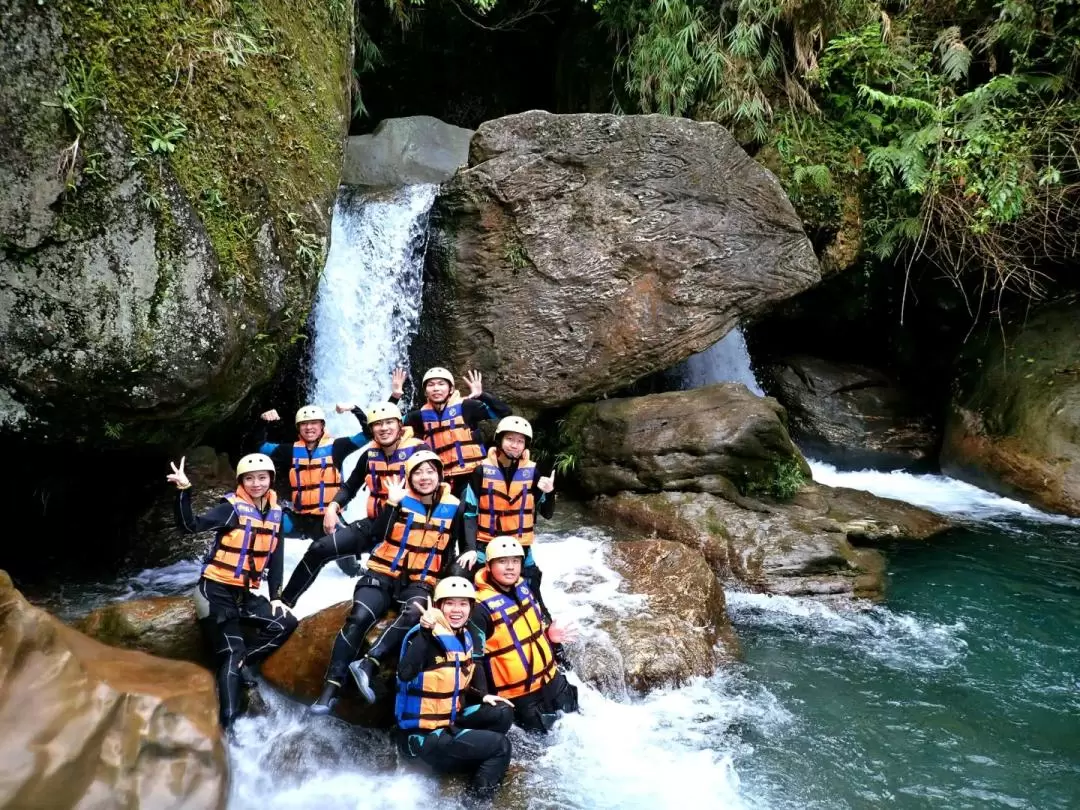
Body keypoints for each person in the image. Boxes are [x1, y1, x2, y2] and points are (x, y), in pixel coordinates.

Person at [310, 449, 477, 714]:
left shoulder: (454, 506)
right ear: (409, 478)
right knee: (359, 618)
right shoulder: (399, 499)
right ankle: (329, 691)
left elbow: (455, 547)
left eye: (430, 471)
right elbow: (377, 535)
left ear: (440, 475)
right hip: (382, 574)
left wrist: (470, 550)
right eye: (418, 473)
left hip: (420, 580)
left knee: (415, 612)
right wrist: (391, 504)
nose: (424, 478)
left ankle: (368, 663)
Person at [167, 453, 298, 729]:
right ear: (241, 482)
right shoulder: (231, 508)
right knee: (231, 651)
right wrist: (184, 491)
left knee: (286, 622)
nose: (256, 483)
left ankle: (244, 665)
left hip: (244, 594)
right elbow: (190, 526)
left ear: (271, 479)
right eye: (249, 479)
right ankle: (228, 725)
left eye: (262, 478)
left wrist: (276, 597)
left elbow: (275, 559)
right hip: (214, 590)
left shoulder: (276, 513)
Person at [278, 402, 430, 608]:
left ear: (399, 426)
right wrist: (333, 507)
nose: (383, 428)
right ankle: (283, 604)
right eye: (378, 425)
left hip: (410, 528)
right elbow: (350, 487)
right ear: (372, 430)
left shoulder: (419, 450)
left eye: (389, 423)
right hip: (376, 525)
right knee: (318, 549)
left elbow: (436, 490)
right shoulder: (369, 456)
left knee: (400, 580)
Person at [394, 576, 514, 806]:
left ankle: (467, 756)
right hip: (422, 738)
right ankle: (474, 802)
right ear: (439, 606)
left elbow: (456, 679)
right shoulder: (422, 637)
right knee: (501, 746)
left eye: (463, 604)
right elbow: (405, 673)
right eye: (450, 603)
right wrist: (425, 631)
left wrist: (483, 695)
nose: (456, 610)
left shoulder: (462, 636)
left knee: (502, 712)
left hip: (449, 721)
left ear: (471, 608)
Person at [471, 536, 579, 733]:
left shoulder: (523, 587)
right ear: (488, 565)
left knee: (579, 727)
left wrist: (549, 636)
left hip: (551, 680)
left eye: (515, 561)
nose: (510, 567)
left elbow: (528, 634)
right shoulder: (479, 608)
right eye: (502, 562)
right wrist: (483, 695)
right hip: (519, 695)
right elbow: (474, 658)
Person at [253, 403, 370, 574]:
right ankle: (259, 568)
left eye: (314, 423)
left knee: (351, 569)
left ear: (322, 426)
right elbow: (259, 446)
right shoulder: (290, 451)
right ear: (298, 428)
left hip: (328, 522)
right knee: (265, 523)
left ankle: (357, 571)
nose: (309, 427)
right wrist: (263, 422)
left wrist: (354, 409)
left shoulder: (337, 447)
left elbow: (368, 434)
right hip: (299, 521)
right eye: (304, 424)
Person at [468, 415, 556, 616]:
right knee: (468, 582)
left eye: (520, 441)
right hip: (486, 544)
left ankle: (550, 638)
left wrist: (549, 493)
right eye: (510, 439)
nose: (515, 445)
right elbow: (469, 513)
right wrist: (470, 549)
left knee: (534, 597)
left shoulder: (533, 472)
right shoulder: (480, 471)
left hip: (520, 547)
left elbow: (547, 513)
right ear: (499, 440)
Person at [392, 367, 511, 498]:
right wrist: (395, 396)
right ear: (425, 392)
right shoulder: (419, 416)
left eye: (441, 384)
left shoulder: (467, 406)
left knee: (465, 507)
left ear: (451, 389)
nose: (436, 388)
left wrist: (482, 396)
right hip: (440, 480)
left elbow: (505, 413)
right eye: (431, 385)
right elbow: (385, 425)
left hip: (472, 475)